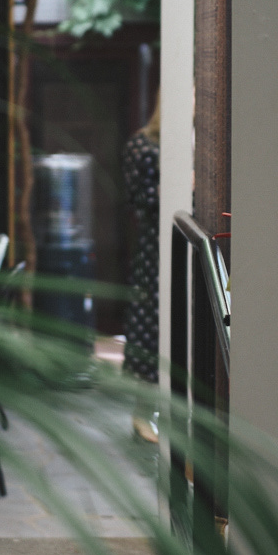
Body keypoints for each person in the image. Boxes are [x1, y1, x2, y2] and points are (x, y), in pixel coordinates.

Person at [122, 98, 161, 443]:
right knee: (151, 327)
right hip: (154, 249)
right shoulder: (143, 143)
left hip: (188, 248)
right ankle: (142, 412)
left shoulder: (202, 140)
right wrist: (181, 184)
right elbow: (137, 198)